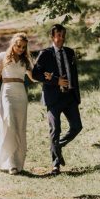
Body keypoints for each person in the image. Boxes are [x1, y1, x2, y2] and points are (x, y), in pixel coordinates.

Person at [0, 33, 48, 174]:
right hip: (7, 92)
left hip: (21, 94)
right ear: (13, 43)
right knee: (10, 124)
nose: (20, 49)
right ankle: (10, 163)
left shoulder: (26, 60)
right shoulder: (2, 56)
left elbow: (33, 78)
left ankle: (17, 162)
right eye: (18, 46)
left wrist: (46, 77)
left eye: (23, 47)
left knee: (19, 127)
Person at [31, 24, 82, 174]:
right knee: (55, 130)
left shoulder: (70, 52)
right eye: (58, 35)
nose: (61, 38)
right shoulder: (45, 54)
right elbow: (35, 75)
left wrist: (76, 95)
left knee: (77, 127)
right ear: (52, 37)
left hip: (69, 97)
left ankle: (58, 146)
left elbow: (74, 75)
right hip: (53, 98)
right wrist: (55, 80)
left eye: (63, 35)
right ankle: (55, 165)